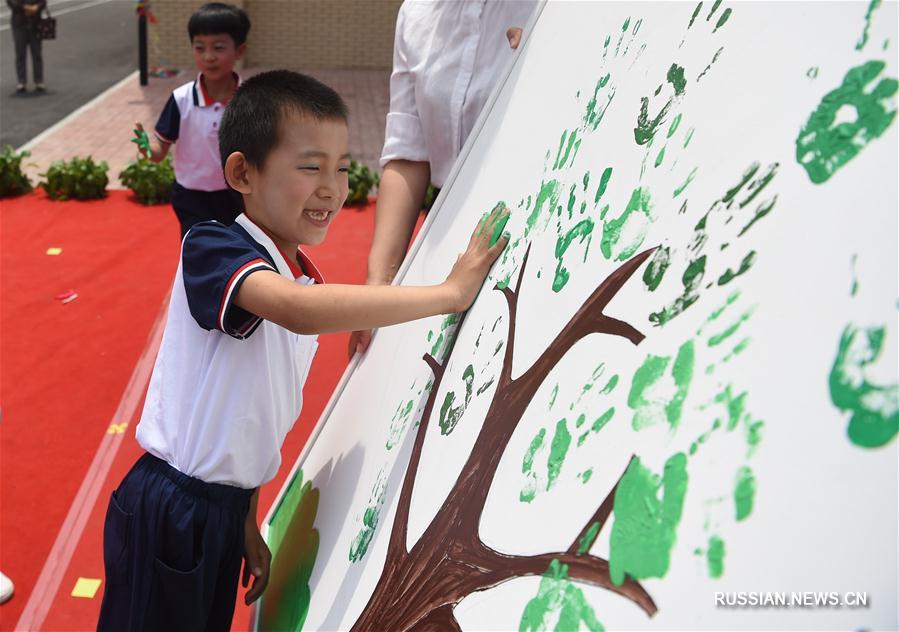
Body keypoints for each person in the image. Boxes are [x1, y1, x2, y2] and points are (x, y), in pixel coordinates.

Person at [96, 70, 510, 631]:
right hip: (174, 507)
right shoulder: (215, 246)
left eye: (342, 169)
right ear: (243, 172)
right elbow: (291, 307)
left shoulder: (300, 278)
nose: (331, 189)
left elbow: (255, 417)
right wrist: (448, 295)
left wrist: (245, 517)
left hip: (219, 510)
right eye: (311, 167)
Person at [348, 0, 537, 358]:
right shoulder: (416, 13)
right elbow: (408, 154)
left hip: (535, 224)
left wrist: (549, 63)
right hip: (448, 235)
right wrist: (379, 289)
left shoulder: (557, 9)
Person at [135, 2, 249, 238]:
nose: (208, 57)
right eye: (199, 48)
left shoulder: (250, 100)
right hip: (192, 196)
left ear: (239, 50)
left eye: (218, 48)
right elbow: (159, 151)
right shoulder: (181, 99)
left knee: (238, 255)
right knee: (198, 255)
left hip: (238, 195)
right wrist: (148, 149)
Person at [6, 0, 46, 93]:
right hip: (19, 24)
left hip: (35, 23)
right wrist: (25, 8)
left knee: (37, 53)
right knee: (20, 54)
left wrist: (37, 7)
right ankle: (21, 81)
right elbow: (11, 2)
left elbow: (43, 2)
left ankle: (39, 81)